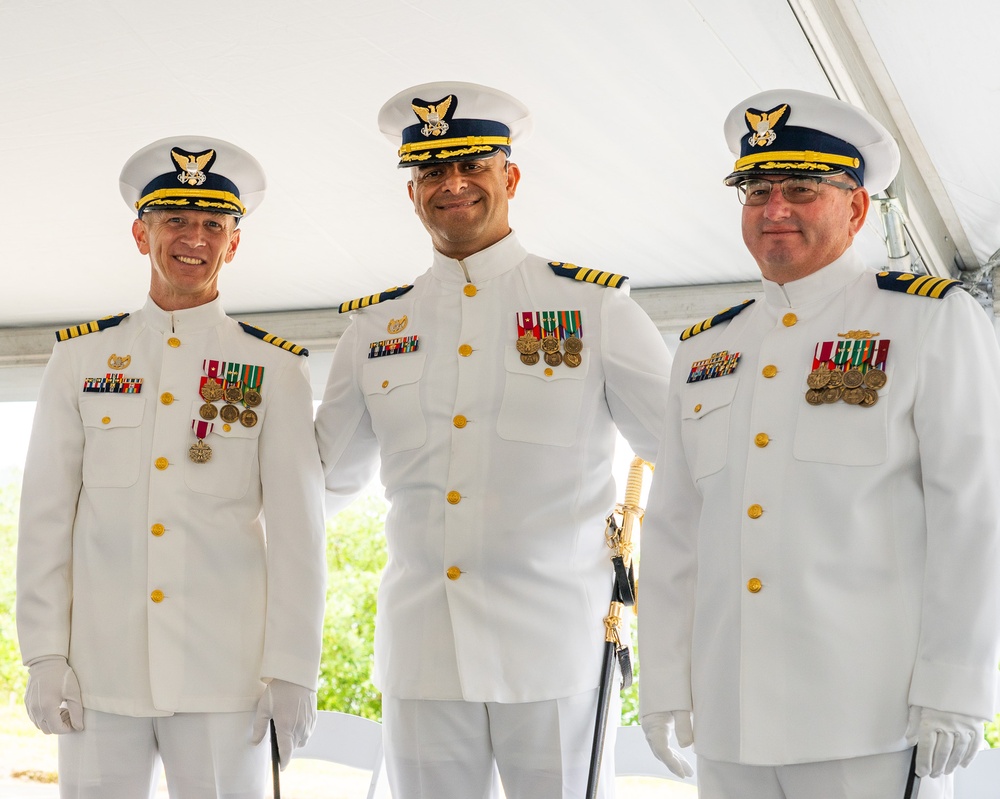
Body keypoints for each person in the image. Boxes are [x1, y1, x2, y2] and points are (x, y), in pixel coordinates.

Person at [314, 81, 673, 799]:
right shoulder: (374, 329)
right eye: (432, 171)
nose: (453, 184)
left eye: (472, 164)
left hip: (556, 652)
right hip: (423, 655)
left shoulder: (592, 307)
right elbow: (318, 480)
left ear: (509, 177)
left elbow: (691, 456)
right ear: (412, 192)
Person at [637, 88, 1000, 799]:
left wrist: (958, 683)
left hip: (869, 717)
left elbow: (975, 512)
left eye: (801, 189)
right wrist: (666, 683)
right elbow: (675, 528)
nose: (774, 209)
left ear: (857, 207)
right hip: (730, 716)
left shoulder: (929, 322)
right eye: (757, 191)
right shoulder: (707, 347)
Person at [16, 136, 327, 799]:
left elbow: (301, 534)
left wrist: (295, 666)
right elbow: (44, 519)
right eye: (176, 220)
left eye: (214, 224)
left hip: (226, 677)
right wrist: (43, 652)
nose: (195, 237)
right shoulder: (80, 361)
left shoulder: (275, 368)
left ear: (234, 244)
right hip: (100, 673)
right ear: (141, 233)